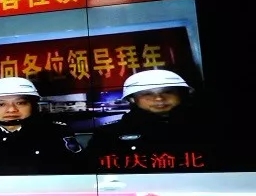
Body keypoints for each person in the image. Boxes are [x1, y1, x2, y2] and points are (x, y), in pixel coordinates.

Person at [86, 70, 217, 172]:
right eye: (147, 94)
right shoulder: (109, 134)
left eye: (168, 92)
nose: (159, 98)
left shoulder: (209, 128)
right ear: (132, 99)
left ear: (182, 94)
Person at [0, 77, 84, 175]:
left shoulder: (55, 132)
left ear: (33, 105)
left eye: (20, 103)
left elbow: (79, 169)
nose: (11, 109)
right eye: (1, 104)